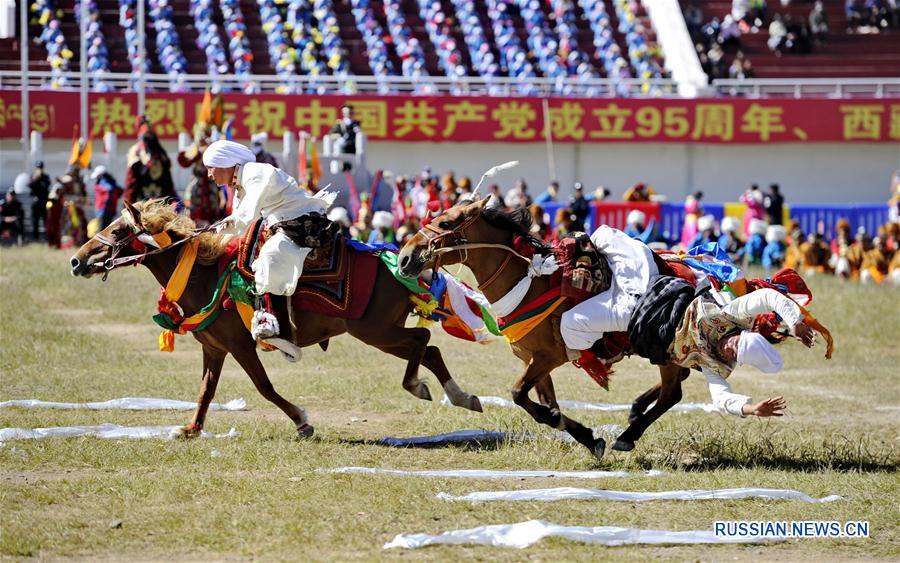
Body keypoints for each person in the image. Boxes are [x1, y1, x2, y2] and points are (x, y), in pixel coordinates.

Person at [202, 140, 337, 359]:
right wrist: (210, 239)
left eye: (211, 167)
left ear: (226, 164)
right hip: (280, 224)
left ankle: (270, 320)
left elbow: (246, 216)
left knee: (269, 257)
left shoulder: (255, 173)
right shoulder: (239, 187)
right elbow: (237, 228)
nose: (209, 174)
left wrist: (221, 227)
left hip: (301, 222)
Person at [667, 286, 819, 417]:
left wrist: (751, 409)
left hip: (665, 335)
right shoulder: (734, 315)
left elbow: (721, 398)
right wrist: (794, 321)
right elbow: (768, 296)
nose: (727, 348)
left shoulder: (716, 365)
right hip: (682, 294)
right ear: (740, 334)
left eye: (733, 354)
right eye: (735, 342)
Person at [560, 226, 659, 352]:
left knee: (569, 323)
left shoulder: (603, 236)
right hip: (642, 283)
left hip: (634, 306)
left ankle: (600, 344)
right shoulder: (611, 237)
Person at [178, 125, 222, 228]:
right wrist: (197, 149)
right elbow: (184, 161)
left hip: (211, 185)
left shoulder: (213, 147)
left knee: (213, 215)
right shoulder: (195, 148)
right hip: (196, 186)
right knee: (193, 216)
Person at [124, 117, 177, 204]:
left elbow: (168, 180)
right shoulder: (135, 151)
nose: (149, 134)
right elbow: (132, 182)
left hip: (161, 199)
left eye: (150, 131)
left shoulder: (160, 152)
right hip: (141, 200)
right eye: (146, 131)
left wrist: (171, 200)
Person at [329, 104, 361, 171]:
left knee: (353, 168)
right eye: (346, 113)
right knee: (343, 167)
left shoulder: (356, 124)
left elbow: (359, 135)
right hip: (343, 149)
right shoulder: (339, 124)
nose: (348, 114)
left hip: (353, 149)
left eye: (350, 113)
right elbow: (330, 135)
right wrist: (338, 137)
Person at [28, 161, 51, 241]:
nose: (39, 169)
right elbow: (29, 185)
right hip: (35, 202)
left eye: (40, 168)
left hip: (44, 202)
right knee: (35, 221)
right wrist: (35, 178)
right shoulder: (32, 176)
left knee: (45, 221)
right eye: (38, 168)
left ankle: (46, 237)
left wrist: (41, 178)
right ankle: (35, 238)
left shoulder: (46, 177)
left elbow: (46, 186)